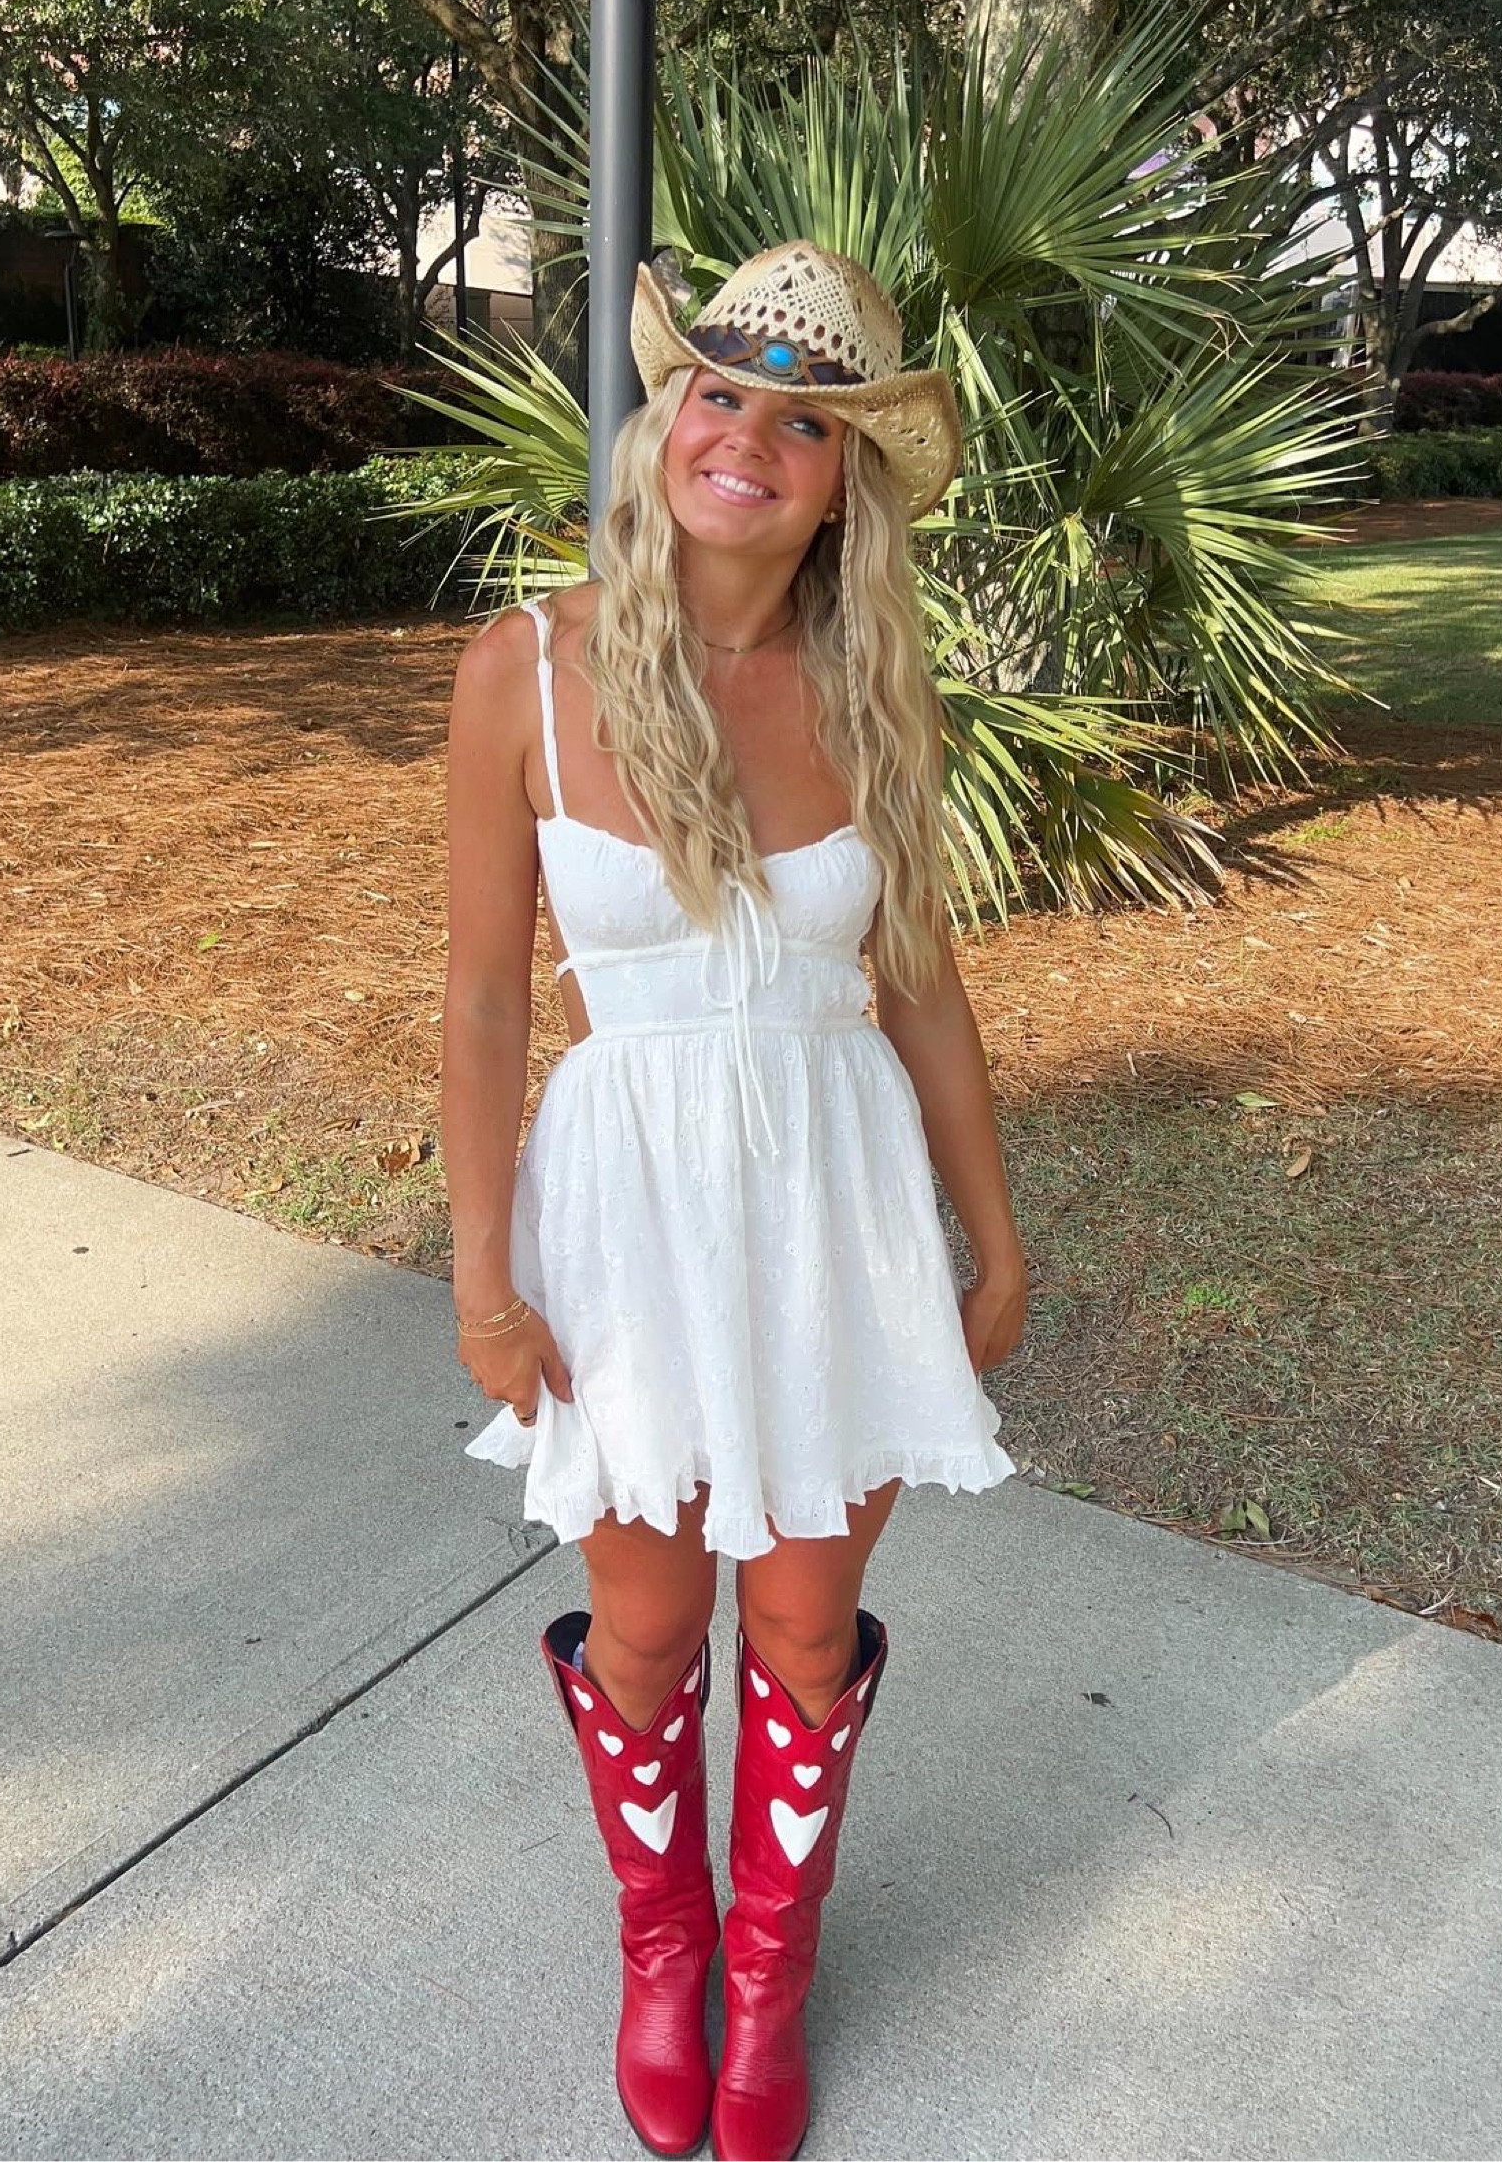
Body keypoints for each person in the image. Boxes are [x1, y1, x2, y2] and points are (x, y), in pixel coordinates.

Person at [441, 240, 1027, 2161]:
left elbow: (920, 976)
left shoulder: (871, 687)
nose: (749, 435)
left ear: (845, 477)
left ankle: (767, 1966)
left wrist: (994, 1234)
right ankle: (660, 1941)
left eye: (804, 418)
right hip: (623, 1231)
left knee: (795, 1626)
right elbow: (475, 994)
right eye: (720, 392)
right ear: (661, 420)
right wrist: (478, 1273)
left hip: (832, 1221)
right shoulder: (522, 666)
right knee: (641, 1630)